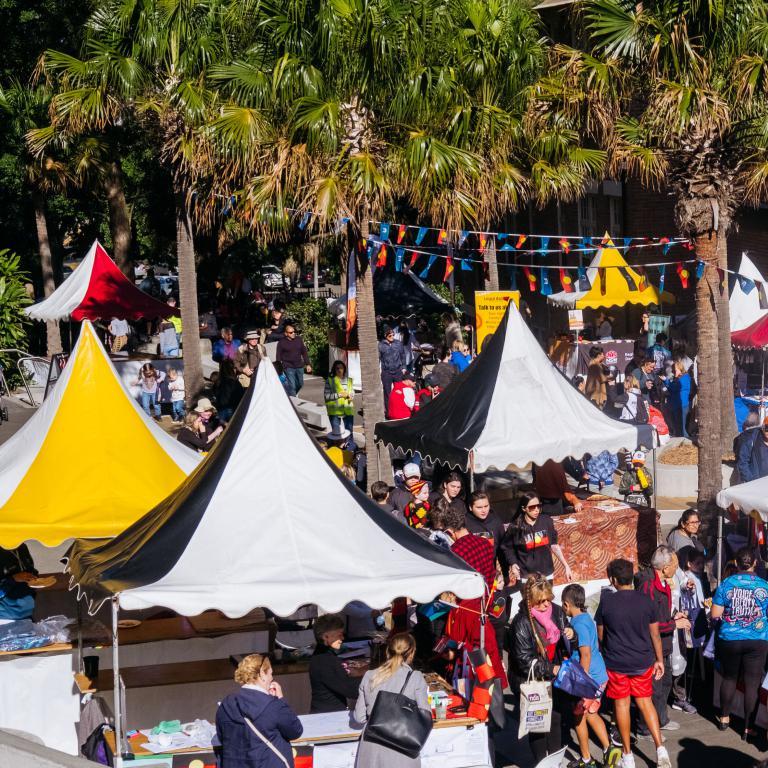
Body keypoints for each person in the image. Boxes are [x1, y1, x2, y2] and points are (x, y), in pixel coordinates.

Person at [595, 559, 671, 768]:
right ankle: (660, 750)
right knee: (645, 703)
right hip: (642, 661)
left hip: (616, 662)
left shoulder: (606, 602)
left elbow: (601, 635)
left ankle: (628, 756)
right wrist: (659, 660)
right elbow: (655, 634)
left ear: (613, 579)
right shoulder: (646, 600)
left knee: (622, 705)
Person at [439, 505, 508, 691]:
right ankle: (494, 689)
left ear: (449, 531)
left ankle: (471, 692)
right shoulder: (485, 544)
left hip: (465, 609)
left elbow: (452, 586)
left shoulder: (454, 552)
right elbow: (492, 574)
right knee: (487, 651)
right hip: (484, 606)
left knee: (465, 656)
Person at [508, 573, 572, 762]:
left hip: (555, 676)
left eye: (548, 599)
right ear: (531, 601)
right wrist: (550, 668)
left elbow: (568, 641)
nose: (546, 604)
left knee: (556, 720)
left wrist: (572, 634)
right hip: (532, 679)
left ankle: (553, 761)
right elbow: (524, 660)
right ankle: (540, 762)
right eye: (541, 601)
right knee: (538, 724)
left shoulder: (557, 612)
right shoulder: (522, 623)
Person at [711, 546, 768, 739]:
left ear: (735, 562)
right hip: (757, 639)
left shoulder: (726, 584)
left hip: (730, 639)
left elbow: (715, 614)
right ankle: (747, 728)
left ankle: (724, 718)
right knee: (753, 683)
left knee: (729, 678)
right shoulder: (764, 586)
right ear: (755, 563)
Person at [634, 545, 690, 736]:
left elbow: (661, 615)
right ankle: (645, 729)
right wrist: (675, 625)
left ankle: (661, 719)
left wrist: (674, 617)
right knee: (651, 689)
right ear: (665, 568)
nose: (677, 568)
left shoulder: (663, 583)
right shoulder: (648, 586)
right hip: (651, 647)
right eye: (675, 564)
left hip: (663, 646)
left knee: (665, 683)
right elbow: (651, 624)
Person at [561, 583, 618, 768]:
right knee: (592, 713)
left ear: (566, 605)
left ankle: (586, 760)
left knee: (579, 716)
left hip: (589, 677)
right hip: (599, 675)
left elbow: (585, 653)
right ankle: (609, 750)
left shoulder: (577, 624)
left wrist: (581, 681)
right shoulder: (586, 617)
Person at [353, 633, 430, 768]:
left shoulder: (370, 675)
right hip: (401, 748)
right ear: (411, 653)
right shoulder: (416, 677)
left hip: (372, 749)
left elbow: (359, 718)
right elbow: (425, 715)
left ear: (388, 650)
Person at [216, 653, 303, 768]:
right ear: (262, 674)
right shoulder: (273, 705)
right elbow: (295, 730)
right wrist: (280, 699)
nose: (272, 678)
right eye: (271, 674)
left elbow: (222, 737)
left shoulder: (226, 705)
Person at [502, 493, 573, 583]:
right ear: (524, 508)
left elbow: (554, 545)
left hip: (546, 575)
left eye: (538, 506)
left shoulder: (546, 521)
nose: (536, 510)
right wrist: (513, 563)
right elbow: (507, 548)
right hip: (526, 576)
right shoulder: (515, 527)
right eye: (532, 507)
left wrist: (566, 566)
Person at [309, 614, 361, 713]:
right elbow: (352, 690)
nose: (343, 638)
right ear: (325, 637)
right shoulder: (325, 661)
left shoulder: (322, 656)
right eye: (339, 634)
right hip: (327, 717)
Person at [0, 545, 37, 620]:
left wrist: (36, 579)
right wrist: (13, 579)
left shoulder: (22, 547)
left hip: (27, 611)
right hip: (5, 617)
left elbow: (30, 569)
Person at [276, 324, 311, 396]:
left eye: (294, 332)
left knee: (300, 384)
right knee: (292, 386)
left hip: (299, 366)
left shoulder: (299, 339)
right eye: (291, 332)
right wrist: (279, 369)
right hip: (288, 367)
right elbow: (278, 356)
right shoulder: (281, 342)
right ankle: (293, 401)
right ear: (286, 333)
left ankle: (292, 395)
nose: (293, 333)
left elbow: (304, 352)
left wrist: (308, 364)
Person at [379, 326, 407, 410]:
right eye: (390, 335)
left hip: (398, 370)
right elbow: (378, 358)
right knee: (387, 392)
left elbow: (403, 355)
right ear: (385, 335)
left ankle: (400, 409)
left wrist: (404, 367)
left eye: (393, 335)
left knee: (399, 391)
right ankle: (389, 412)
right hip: (386, 372)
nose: (392, 337)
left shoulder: (398, 343)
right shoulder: (380, 345)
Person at [324, 360, 355, 436]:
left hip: (348, 409)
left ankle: (350, 447)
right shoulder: (330, 381)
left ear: (344, 369)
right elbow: (326, 396)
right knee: (336, 435)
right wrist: (339, 395)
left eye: (341, 368)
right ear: (334, 370)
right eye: (337, 368)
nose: (339, 370)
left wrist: (352, 395)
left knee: (349, 434)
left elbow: (352, 391)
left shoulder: (349, 380)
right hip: (334, 411)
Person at [737, 415, 768, 483]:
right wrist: (751, 481)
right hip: (755, 484)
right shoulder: (752, 439)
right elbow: (743, 461)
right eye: (767, 428)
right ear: (763, 427)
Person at [666, 360, 692, 438]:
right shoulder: (678, 379)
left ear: (680, 369)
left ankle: (687, 443)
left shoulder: (684, 378)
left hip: (682, 405)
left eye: (675, 370)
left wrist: (666, 380)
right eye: (673, 370)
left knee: (681, 428)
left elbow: (675, 388)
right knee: (678, 427)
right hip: (676, 405)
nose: (674, 372)